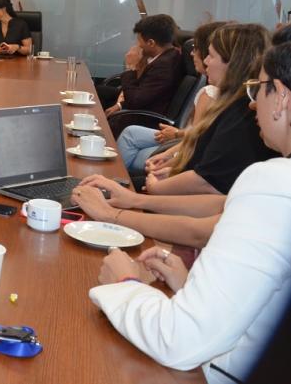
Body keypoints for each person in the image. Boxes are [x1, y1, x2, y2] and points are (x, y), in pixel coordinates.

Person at [85, 42, 291, 384]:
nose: (253, 103)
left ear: (281, 96)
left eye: (258, 89)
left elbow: (179, 340)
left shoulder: (275, 180)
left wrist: (126, 284)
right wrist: (191, 288)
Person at [143, 23, 277, 195]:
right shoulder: (230, 104)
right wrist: (171, 171)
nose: (205, 61)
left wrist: (156, 189)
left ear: (232, 63)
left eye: (211, 56)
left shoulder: (240, 112)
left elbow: (209, 183)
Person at [116, 21, 227, 177]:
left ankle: (116, 182)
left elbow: (196, 141)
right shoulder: (210, 86)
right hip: (179, 138)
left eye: (196, 49)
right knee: (130, 134)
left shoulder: (209, 92)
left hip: (183, 148)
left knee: (130, 154)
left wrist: (176, 136)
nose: (191, 53)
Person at [104, 14, 183, 117]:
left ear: (151, 43)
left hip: (144, 119)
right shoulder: (167, 57)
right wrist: (120, 105)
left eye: (139, 41)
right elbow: (144, 94)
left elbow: (135, 101)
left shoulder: (163, 66)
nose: (138, 45)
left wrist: (130, 67)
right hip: (139, 108)